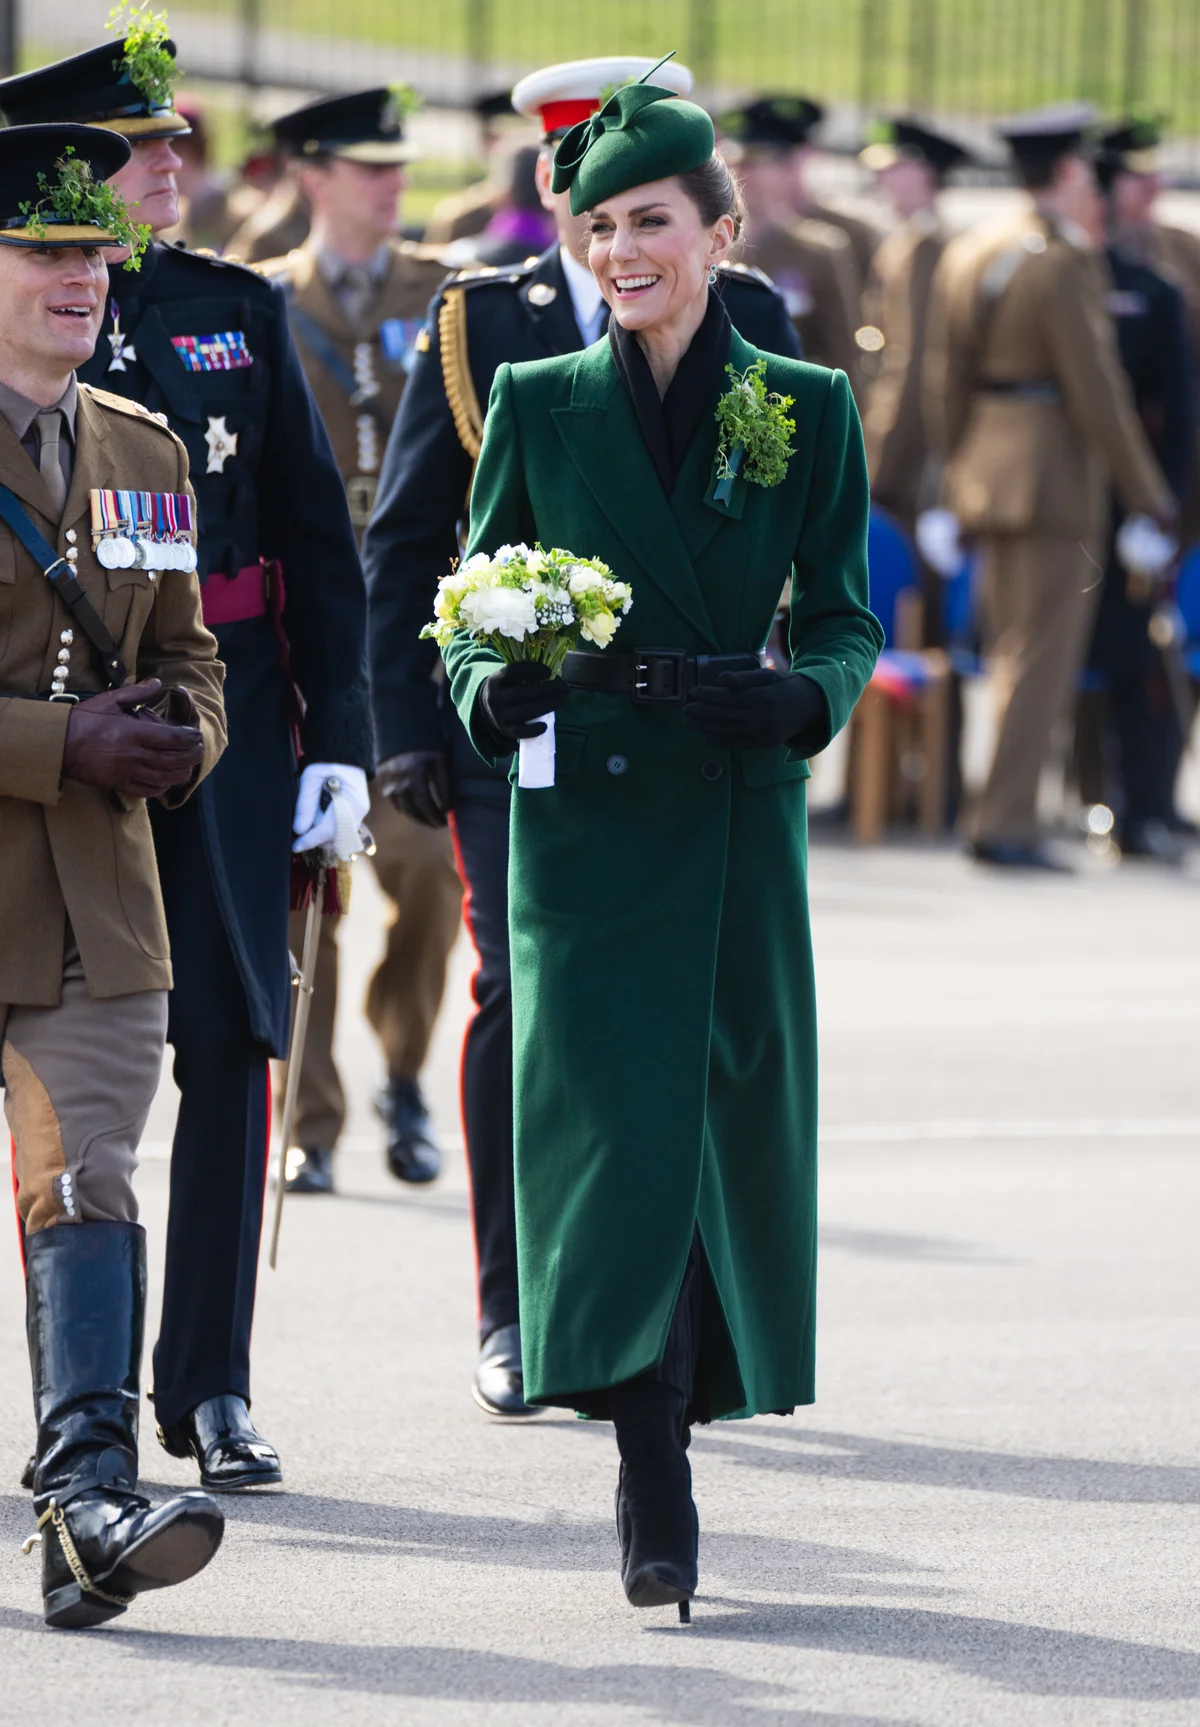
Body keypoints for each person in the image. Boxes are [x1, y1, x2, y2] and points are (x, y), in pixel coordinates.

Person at [439, 71, 881, 1614]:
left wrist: (797, 698)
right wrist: (514, 678)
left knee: (717, 1141)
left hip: (736, 823)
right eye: (601, 225)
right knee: (612, 1148)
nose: (622, 252)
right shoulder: (539, 401)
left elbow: (843, 615)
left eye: (652, 224)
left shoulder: (808, 407)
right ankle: (650, 1465)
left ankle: (677, 1421)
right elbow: (467, 614)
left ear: (720, 229)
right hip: (587, 832)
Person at [364, 53, 801, 1422]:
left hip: (695, 735)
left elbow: (776, 525)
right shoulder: (485, 319)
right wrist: (412, 726)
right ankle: (515, 1301)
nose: (597, 198)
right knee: (516, 997)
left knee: (700, 1012)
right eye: (577, 171)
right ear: (551, 182)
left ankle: (686, 1313)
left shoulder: (749, 313)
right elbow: (409, 546)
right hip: (532, 732)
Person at [0, 23, 373, 1492]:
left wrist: (332, 741)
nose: (161, 169)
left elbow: (312, 549)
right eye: (130, 148)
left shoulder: (237, 314)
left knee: (229, 1037)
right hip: (55, 750)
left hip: (197, 744)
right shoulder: (62, 316)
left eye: (161, 148)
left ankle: (206, 1381)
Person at [0, 122, 227, 1626]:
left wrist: (177, 739)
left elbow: (195, 653)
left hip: (97, 891)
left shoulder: (144, 443)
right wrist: (54, 738)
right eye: (44, 251)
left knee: (87, 1178)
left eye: (94, 251)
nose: (82, 276)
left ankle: (89, 1491)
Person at [259, 87, 462, 1193]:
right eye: (368, 166)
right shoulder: (262, 295)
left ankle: (402, 1063)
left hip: (410, 625)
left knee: (428, 868)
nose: (392, 184)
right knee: (307, 881)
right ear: (313, 173)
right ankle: (315, 1116)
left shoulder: (442, 291)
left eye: (398, 167)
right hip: (301, 621)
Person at [924, 106, 1176, 870]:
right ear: (1070, 172)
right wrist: (1150, 495)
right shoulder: (1063, 258)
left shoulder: (975, 247)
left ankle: (998, 811)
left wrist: (953, 473)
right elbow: (1097, 392)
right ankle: (1005, 821)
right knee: (1039, 659)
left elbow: (945, 379)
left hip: (987, 469)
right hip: (1052, 476)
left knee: (1010, 652)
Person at [1079, 131, 1197, 860]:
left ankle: (1143, 809)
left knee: (1138, 663)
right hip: (1062, 503)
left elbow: (1177, 417)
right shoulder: (1050, 275)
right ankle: (1077, 797)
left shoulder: (1150, 290)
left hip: (1129, 512)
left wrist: (1165, 514)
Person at [859, 118, 972, 573]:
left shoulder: (926, 249)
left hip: (910, 456)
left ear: (924, 173)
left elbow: (914, 363)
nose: (882, 180)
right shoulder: (907, 242)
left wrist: (881, 465)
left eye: (894, 168)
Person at [719, 98, 862, 387]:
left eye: (760, 163)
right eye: (738, 163)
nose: (746, 175)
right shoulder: (711, 247)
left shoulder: (818, 251)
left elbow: (843, 353)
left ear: (786, 170)